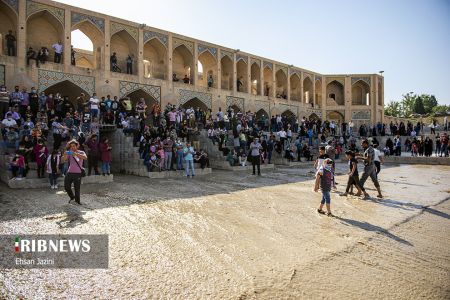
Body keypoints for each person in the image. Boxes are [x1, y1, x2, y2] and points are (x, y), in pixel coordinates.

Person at [62, 139, 87, 205]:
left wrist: (75, 154)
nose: (72, 147)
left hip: (78, 173)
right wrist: (64, 154)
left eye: (74, 146)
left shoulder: (81, 152)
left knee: (77, 188)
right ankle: (72, 197)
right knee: (66, 187)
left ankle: (77, 201)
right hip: (69, 172)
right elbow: (63, 160)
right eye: (71, 146)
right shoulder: (69, 152)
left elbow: (85, 158)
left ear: (77, 146)